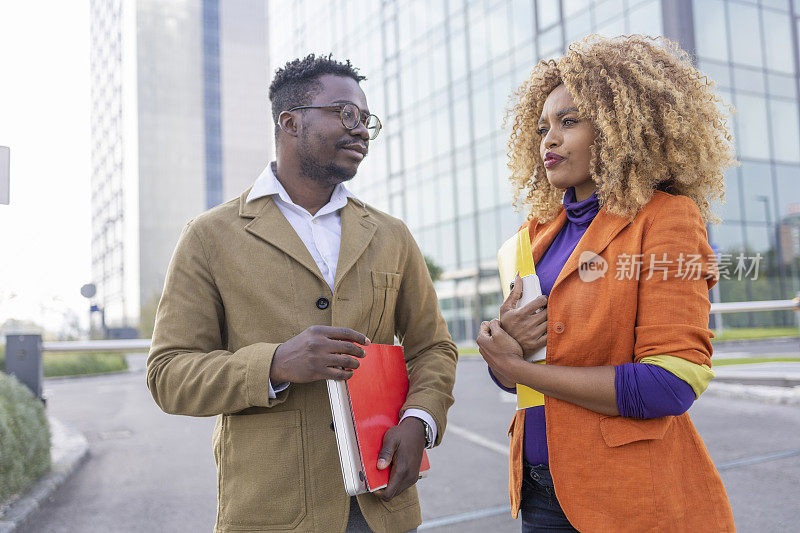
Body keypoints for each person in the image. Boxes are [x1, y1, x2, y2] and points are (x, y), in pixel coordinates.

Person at [147, 54, 458, 533]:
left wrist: (420, 420)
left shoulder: (392, 235)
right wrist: (273, 363)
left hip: (383, 505)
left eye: (366, 121)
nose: (360, 131)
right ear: (289, 122)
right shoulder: (210, 236)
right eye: (345, 113)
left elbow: (432, 347)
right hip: (271, 510)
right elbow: (168, 374)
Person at [477, 35, 737, 532]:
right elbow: (517, 373)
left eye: (568, 122)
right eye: (542, 127)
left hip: (629, 495)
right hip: (538, 488)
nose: (548, 139)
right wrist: (501, 354)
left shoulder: (667, 220)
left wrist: (520, 369)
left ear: (621, 127)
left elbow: (671, 383)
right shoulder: (531, 240)